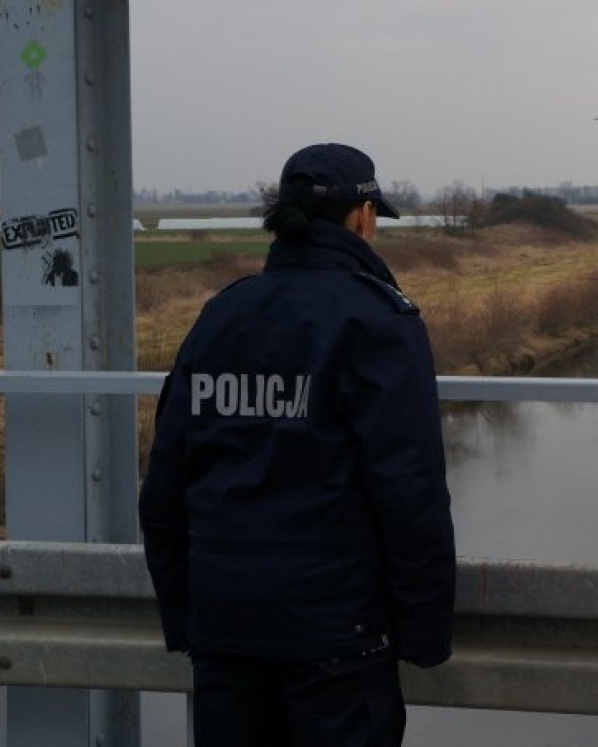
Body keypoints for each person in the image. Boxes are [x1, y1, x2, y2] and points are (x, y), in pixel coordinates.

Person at [140, 142, 456, 747]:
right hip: (337, 634)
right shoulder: (377, 322)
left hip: (226, 625)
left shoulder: (219, 317)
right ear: (361, 217)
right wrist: (424, 635)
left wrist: (185, 615)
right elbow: (409, 494)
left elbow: (164, 487)